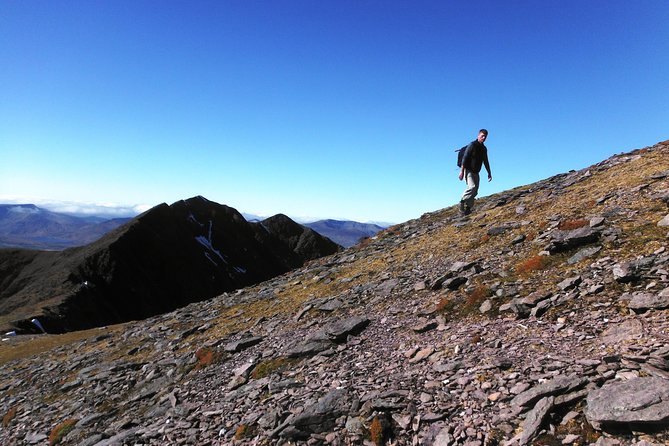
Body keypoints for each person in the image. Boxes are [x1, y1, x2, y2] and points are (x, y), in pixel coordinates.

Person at [459, 129, 492, 215]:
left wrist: (489, 173)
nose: (483, 138)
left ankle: (468, 209)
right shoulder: (472, 145)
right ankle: (462, 201)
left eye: (485, 136)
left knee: (475, 191)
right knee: (472, 187)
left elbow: (486, 161)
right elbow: (465, 158)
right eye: (482, 136)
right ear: (478, 136)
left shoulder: (484, 148)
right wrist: (462, 171)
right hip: (468, 170)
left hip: (476, 171)